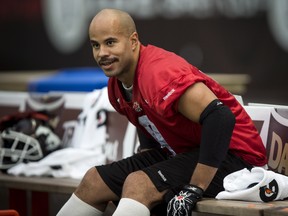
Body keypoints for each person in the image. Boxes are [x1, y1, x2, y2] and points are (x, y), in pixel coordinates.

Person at [57, 8, 267, 216]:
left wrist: (195, 187)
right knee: (95, 180)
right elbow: (146, 122)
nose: (102, 53)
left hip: (238, 160)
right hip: (188, 152)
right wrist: (148, 169)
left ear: (132, 41)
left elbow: (221, 117)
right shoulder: (116, 86)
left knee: (138, 183)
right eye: (96, 45)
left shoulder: (158, 73)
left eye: (110, 42)